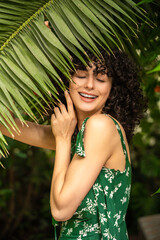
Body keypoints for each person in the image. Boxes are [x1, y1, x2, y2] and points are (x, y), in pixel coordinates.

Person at [0, 49, 146, 239]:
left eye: (101, 79)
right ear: (66, 80)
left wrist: (62, 140)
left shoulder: (100, 126)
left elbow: (61, 210)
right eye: (81, 75)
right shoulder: (77, 134)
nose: (90, 85)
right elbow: (5, 123)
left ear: (113, 88)